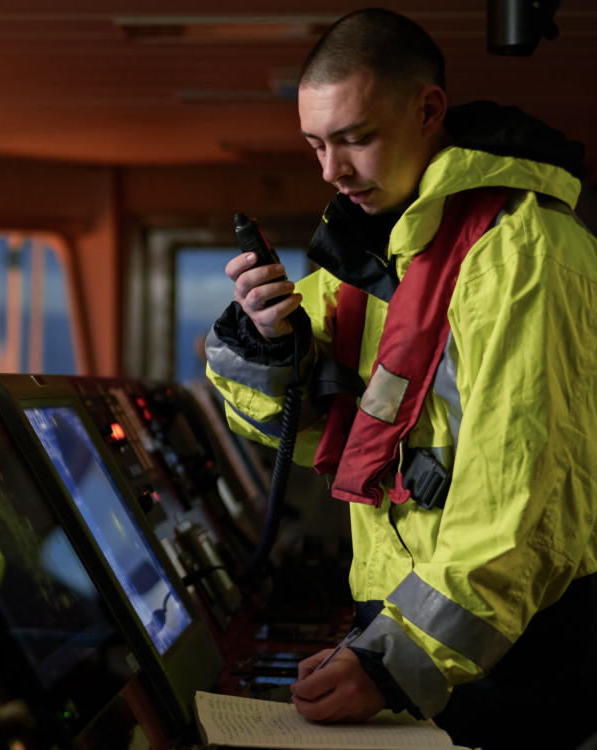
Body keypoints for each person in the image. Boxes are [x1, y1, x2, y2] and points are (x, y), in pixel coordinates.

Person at [204, 9, 597, 750]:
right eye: (317, 144)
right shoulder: (367, 261)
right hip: (413, 635)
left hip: (513, 653)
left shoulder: (527, 254)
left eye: (355, 139)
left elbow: (520, 500)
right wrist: (261, 340)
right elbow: (281, 426)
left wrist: (390, 664)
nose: (331, 170)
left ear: (428, 109)